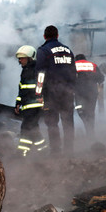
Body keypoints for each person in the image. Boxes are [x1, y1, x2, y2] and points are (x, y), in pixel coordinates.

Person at [35, 25, 77, 156]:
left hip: (51, 93)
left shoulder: (43, 50)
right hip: (68, 92)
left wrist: (38, 93)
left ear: (44, 36)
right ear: (57, 35)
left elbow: (40, 73)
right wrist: (72, 89)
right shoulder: (68, 50)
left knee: (52, 123)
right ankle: (69, 151)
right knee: (68, 122)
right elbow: (73, 72)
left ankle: (56, 152)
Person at [14, 45, 46, 157]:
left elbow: (42, 86)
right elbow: (22, 89)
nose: (20, 60)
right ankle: (42, 151)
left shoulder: (36, 70)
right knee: (33, 128)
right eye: (19, 58)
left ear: (30, 58)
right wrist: (18, 103)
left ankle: (22, 153)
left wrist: (43, 100)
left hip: (35, 105)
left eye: (22, 58)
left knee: (26, 128)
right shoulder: (25, 71)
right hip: (27, 105)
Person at [74, 54, 105, 139]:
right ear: (85, 59)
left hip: (80, 93)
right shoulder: (93, 65)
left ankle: (87, 127)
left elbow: (69, 79)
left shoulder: (73, 66)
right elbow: (101, 78)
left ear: (75, 59)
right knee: (91, 112)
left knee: (80, 111)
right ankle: (91, 132)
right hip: (92, 93)